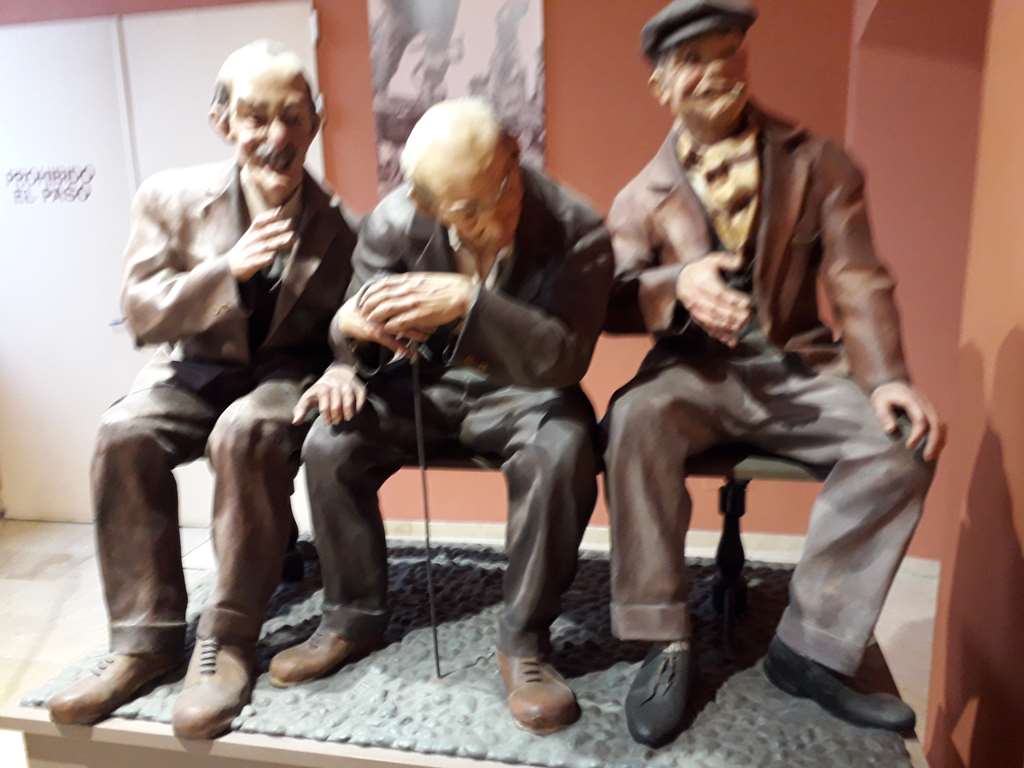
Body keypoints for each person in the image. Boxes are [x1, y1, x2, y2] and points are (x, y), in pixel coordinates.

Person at [603, 0, 946, 748]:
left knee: (901, 444)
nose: (714, 72)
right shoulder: (639, 196)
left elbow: (857, 276)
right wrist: (676, 283)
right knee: (633, 419)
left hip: (797, 367)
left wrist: (886, 376)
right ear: (660, 85)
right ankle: (663, 636)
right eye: (691, 61)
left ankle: (812, 646)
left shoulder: (818, 162)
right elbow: (612, 297)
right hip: (692, 375)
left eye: (727, 53)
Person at [269, 98, 613, 735]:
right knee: (330, 441)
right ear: (427, 205)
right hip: (419, 389)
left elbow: (566, 357)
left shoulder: (577, 225)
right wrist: (349, 348)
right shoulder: (393, 225)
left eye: (501, 188)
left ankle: (525, 639)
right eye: (467, 211)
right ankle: (350, 615)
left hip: (524, 389)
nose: (495, 216)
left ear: (513, 153)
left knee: (564, 446)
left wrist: (468, 302)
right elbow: (355, 332)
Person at [47, 40, 358, 740]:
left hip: (282, 376)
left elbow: (350, 322)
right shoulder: (170, 199)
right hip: (193, 369)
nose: (276, 137)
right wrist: (227, 271)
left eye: (293, 117)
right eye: (255, 117)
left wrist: (345, 365)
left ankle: (228, 639)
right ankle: (143, 641)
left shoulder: (341, 226)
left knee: (245, 432)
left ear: (316, 121)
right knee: (124, 433)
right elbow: (143, 311)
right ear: (223, 122)